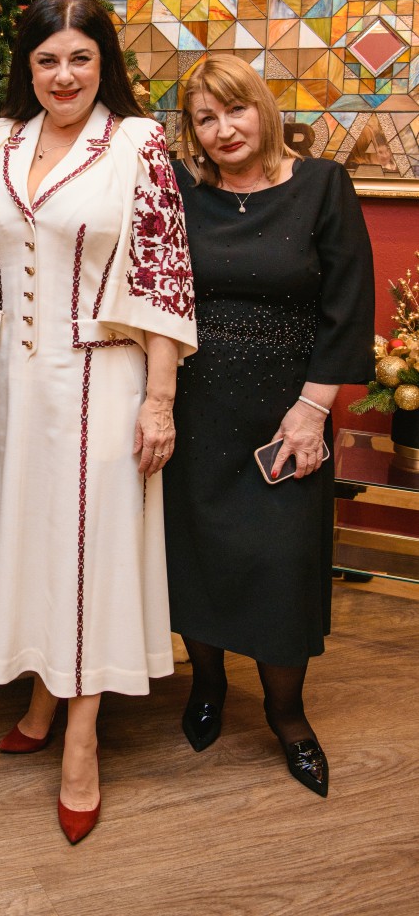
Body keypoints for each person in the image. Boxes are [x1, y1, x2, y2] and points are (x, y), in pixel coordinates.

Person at [0, 0, 198, 843]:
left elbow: (164, 276)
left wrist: (159, 399)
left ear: (103, 64)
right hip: (8, 379)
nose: (63, 75)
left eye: (80, 58)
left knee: (88, 549)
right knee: (30, 540)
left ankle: (81, 741)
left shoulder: (137, 143)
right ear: (28, 66)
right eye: (47, 60)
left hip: (102, 378)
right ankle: (43, 696)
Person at [163, 52, 374, 798]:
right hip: (196, 407)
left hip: (288, 414)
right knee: (196, 555)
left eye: (235, 110)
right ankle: (208, 685)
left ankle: (288, 716)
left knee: (284, 567)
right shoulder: (183, 193)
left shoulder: (322, 186)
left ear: (263, 108)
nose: (223, 129)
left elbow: (348, 304)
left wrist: (312, 410)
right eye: (205, 118)